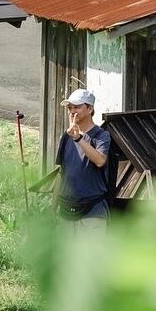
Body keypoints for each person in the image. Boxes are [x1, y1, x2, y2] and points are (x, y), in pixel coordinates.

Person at [55, 88, 111, 222]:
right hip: (66, 211)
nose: (72, 111)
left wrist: (78, 138)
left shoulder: (101, 135)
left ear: (90, 109)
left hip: (93, 211)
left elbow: (100, 161)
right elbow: (61, 173)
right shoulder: (66, 137)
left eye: (77, 107)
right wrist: (52, 209)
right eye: (70, 108)